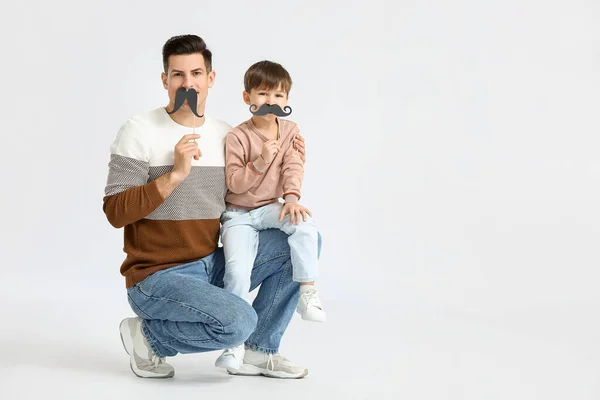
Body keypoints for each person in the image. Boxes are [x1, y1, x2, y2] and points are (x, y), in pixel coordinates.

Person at [103, 34, 316, 379]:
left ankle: (260, 352)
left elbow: (250, 195)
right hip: (157, 277)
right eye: (178, 75)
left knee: (298, 243)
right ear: (165, 80)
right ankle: (148, 336)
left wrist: (288, 156)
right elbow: (115, 211)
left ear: (211, 79)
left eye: (197, 74)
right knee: (239, 321)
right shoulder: (139, 130)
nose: (188, 83)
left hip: (209, 265)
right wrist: (174, 175)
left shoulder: (227, 135)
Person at [214, 61, 326, 370]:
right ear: (247, 97)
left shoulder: (290, 131)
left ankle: (307, 290)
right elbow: (234, 183)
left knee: (305, 225)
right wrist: (261, 161)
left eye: (278, 96)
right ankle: (233, 345)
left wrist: (291, 199)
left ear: (287, 101)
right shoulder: (238, 137)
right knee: (237, 272)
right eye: (263, 94)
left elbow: (293, 165)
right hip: (238, 214)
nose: (270, 102)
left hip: (269, 207)